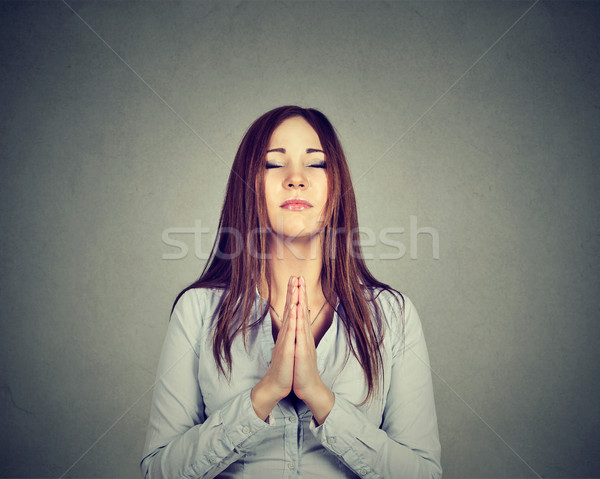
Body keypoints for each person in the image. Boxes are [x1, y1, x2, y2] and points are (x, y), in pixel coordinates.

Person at [140, 106, 442, 478]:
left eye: (316, 164)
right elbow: (158, 472)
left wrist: (320, 397)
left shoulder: (393, 316)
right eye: (273, 164)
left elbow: (424, 474)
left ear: (337, 185)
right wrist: (263, 395)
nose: (296, 178)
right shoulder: (198, 310)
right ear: (247, 184)